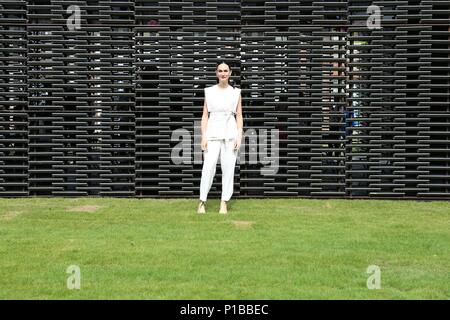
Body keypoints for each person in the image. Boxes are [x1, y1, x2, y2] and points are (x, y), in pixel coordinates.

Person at [197, 61, 243, 214]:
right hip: (212, 133)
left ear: (230, 73)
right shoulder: (209, 92)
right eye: (220, 70)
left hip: (230, 134)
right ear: (216, 73)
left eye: (226, 70)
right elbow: (204, 116)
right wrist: (203, 136)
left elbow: (239, 116)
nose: (223, 73)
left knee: (228, 169)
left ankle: (224, 202)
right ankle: (202, 201)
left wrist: (239, 136)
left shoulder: (236, 92)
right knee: (208, 168)